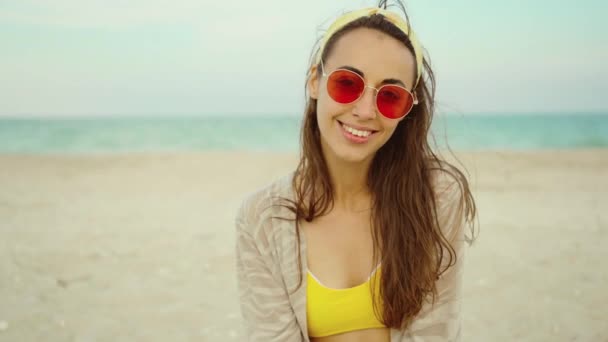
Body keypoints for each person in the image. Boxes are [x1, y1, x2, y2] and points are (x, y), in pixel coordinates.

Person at [235, 1, 477, 341]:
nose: (365, 111)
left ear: (407, 110)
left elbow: (434, 333)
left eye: (390, 96)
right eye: (348, 83)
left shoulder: (438, 197)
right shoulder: (261, 217)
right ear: (314, 82)